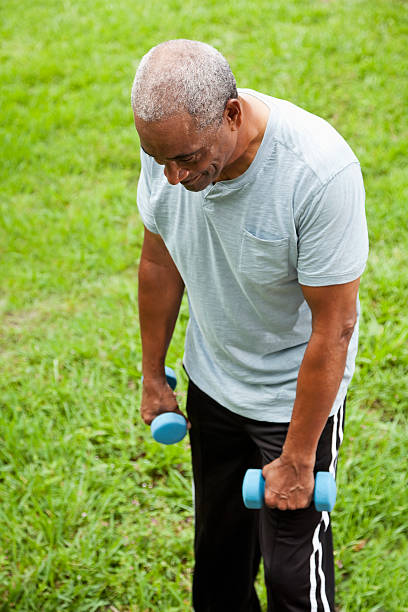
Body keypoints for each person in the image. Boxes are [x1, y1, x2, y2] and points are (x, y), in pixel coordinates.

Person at [131, 39, 368, 612]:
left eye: (188, 158)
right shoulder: (170, 148)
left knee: (293, 580)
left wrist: (298, 456)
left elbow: (332, 327)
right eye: (160, 159)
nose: (174, 176)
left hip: (294, 398)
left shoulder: (317, 172)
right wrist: (152, 373)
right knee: (217, 568)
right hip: (213, 383)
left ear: (231, 114)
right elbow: (159, 263)